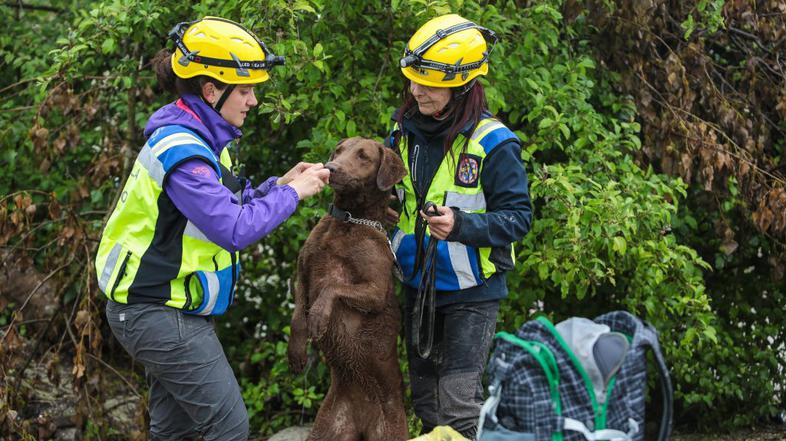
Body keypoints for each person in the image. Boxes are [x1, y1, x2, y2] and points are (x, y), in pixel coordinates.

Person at [94, 17, 329, 440]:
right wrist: (295, 195)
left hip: (163, 306)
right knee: (229, 426)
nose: (254, 101)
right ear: (211, 90)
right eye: (245, 90)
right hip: (156, 311)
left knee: (174, 431)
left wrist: (279, 185)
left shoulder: (201, 140)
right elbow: (232, 229)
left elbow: (223, 207)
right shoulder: (185, 151)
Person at [386, 14, 533, 439]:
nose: (416, 91)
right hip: (418, 285)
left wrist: (462, 225)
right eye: (412, 80)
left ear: (464, 83)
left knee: (458, 405)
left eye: (428, 83)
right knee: (426, 402)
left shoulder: (494, 142)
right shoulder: (401, 133)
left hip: (473, 292)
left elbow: (519, 218)